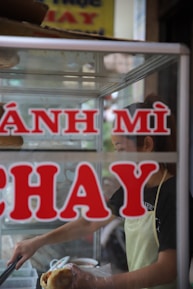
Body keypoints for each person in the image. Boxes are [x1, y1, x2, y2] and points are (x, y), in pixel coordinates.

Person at [8, 94, 192, 289]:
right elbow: (88, 222)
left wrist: (99, 282)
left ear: (147, 145)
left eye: (121, 149)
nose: (116, 158)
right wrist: (38, 242)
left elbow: (167, 269)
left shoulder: (173, 195)